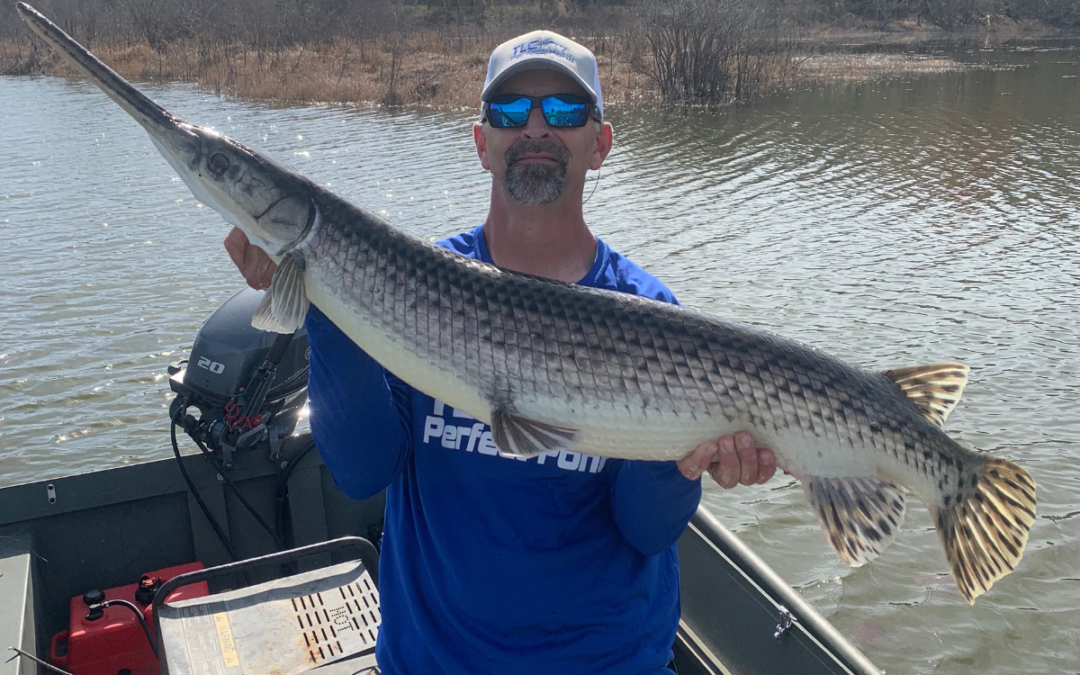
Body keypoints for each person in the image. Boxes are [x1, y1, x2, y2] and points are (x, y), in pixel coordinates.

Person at [226, 30, 776, 675]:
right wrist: (322, 297)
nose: (536, 128)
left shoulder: (648, 311)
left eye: (565, 111)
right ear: (482, 143)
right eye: (511, 111)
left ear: (599, 145)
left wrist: (684, 462)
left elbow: (646, 531)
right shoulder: (411, 280)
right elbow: (363, 470)